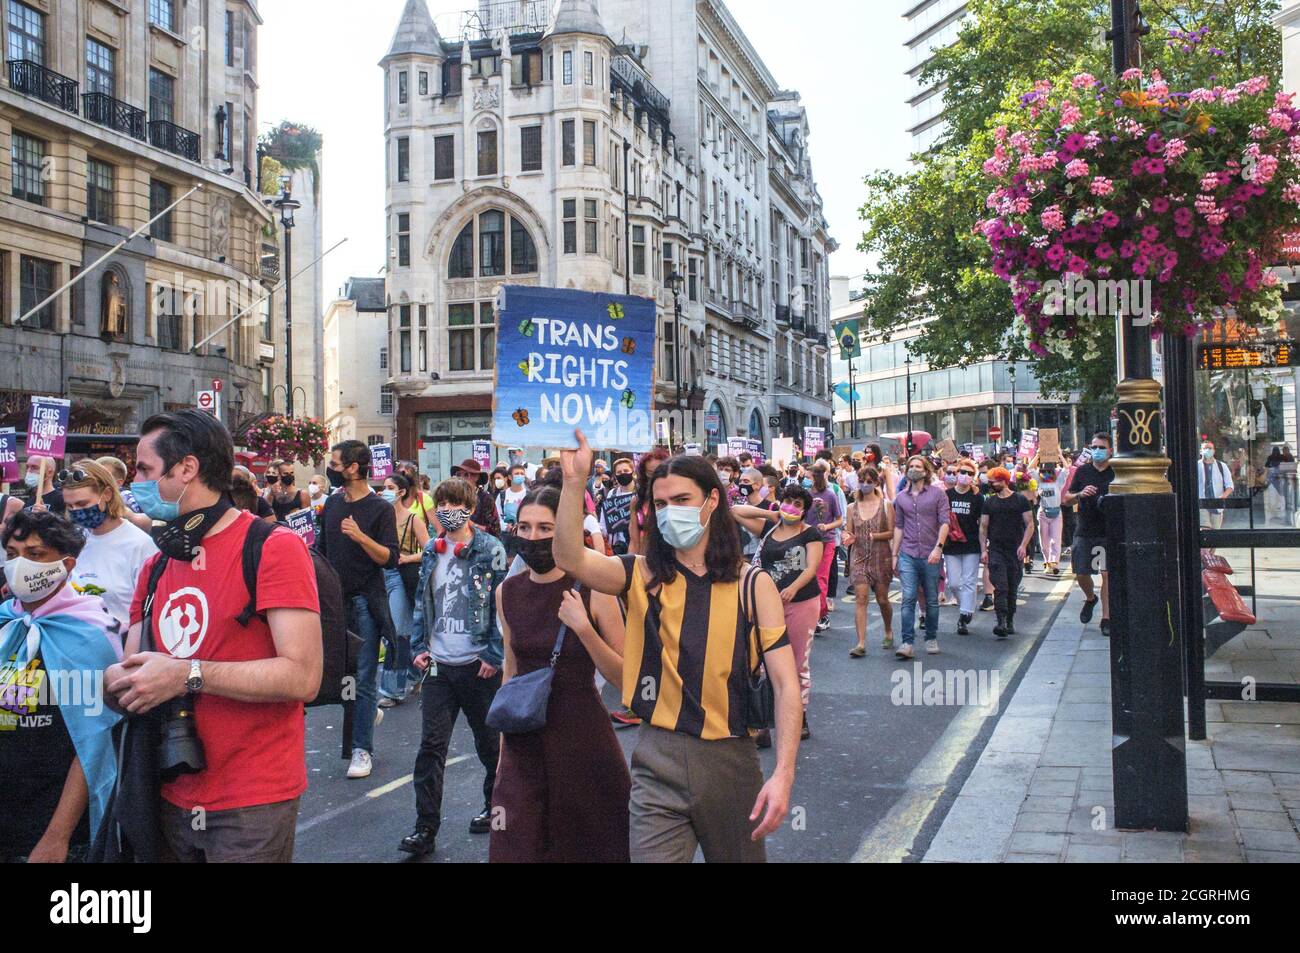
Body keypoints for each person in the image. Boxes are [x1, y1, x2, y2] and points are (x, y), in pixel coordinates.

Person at [554, 431, 800, 863]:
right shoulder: (639, 574)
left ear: (712, 502)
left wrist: (783, 774)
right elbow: (570, 558)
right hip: (655, 760)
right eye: (661, 504)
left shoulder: (752, 584)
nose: (670, 513)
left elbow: (785, 683)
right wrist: (573, 483)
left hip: (731, 762)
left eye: (682, 500)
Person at [104, 410, 322, 862]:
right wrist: (118, 682)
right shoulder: (156, 563)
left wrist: (188, 675)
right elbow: (135, 671)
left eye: (145, 471)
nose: (136, 485)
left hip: (250, 800)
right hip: (167, 788)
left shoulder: (272, 547)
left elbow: (303, 676)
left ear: (186, 468)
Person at [490, 486, 630, 863]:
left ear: (564, 531)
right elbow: (512, 670)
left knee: (590, 847)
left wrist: (584, 629)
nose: (533, 538)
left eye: (545, 528)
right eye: (524, 527)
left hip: (583, 738)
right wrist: (504, 755)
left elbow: (625, 677)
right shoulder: (508, 591)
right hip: (525, 739)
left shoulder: (594, 588)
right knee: (521, 846)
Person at [0, 509, 122, 863]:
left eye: (35, 555)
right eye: (11, 553)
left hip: (51, 829)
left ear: (67, 566)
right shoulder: (7, 623)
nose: (19, 564)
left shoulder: (87, 636)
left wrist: (57, 836)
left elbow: (93, 744)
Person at [400, 477, 507, 856]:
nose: (446, 510)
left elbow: (501, 603)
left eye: (454, 503)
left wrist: (494, 655)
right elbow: (421, 601)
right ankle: (424, 828)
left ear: (470, 507)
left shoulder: (489, 548)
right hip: (439, 667)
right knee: (431, 747)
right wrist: (418, 646)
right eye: (441, 503)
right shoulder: (432, 549)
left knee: (489, 745)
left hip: (478, 665)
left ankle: (494, 809)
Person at [317, 440, 399, 780]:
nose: (331, 469)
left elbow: (390, 557)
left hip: (366, 602)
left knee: (364, 677)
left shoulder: (380, 509)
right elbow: (321, 551)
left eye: (336, 464)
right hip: (336, 603)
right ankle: (368, 713)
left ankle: (360, 750)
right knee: (340, 677)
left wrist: (361, 537)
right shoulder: (333, 504)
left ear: (352, 467)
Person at [733, 485, 821, 739]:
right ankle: (764, 722)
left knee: (796, 662)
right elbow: (735, 512)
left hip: (801, 602)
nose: (790, 507)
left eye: (797, 504)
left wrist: (793, 588)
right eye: (787, 501)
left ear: (804, 511)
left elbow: (811, 567)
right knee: (762, 661)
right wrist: (772, 515)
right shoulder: (769, 530)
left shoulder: (810, 534)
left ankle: (799, 717)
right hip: (769, 603)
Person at [61, 460, 158, 629]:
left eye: (83, 504)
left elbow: (149, 613)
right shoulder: (75, 540)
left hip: (122, 647)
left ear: (106, 494)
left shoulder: (140, 546)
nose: (76, 511)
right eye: (70, 506)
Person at [891, 455, 950, 659]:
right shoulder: (901, 498)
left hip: (930, 554)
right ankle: (907, 642)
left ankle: (931, 636)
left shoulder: (938, 494)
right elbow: (898, 526)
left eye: (918, 466)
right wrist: (894, 554)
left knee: (932, 599)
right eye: (911, 466)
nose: (914, 469)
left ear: (926, 471)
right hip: (908, 553)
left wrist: (938, 548)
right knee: (908, 597)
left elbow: (944, 523)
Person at [378, 472, 429, 707]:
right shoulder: (379, 517)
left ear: (400, 492)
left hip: (402, 576)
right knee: (399, 631)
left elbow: (429, 550)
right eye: (383, 486)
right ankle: (416, 672)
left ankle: (393, 690)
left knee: (398, 630)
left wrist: (407, 559)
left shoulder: (412, 519)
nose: (384, 491)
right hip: (381, 576)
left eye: (390, 487)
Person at [1063, 433, 1115, 637]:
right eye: (1094, 447)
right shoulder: (1082, 472)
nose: (1097, 451)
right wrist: (1080, 494)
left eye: (1101, 447)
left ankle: (1107, 618)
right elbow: (1066, 499)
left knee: (1107, 574)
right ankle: (1090, 598)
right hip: (1085, 530)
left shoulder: (1117, 472)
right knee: (1082, 573)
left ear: (1110, 450)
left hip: (1108, 531)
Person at [842, 466, 896, 654]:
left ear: (876, 483)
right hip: (859, 557)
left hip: (881, 557)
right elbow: (849, 532)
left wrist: (877, 536)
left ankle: (888, 630)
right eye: (862, 481)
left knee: (882, 599)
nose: (865, 485)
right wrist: (847, 537)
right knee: (861, 598)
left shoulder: (886, 505)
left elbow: (892, 532)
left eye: (869, 481)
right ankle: (861, 643)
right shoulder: (851, 507)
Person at [980, 467, 1035, 638]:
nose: (991, 485)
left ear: (1003, 481)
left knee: (1012, 587)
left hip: (1015, 551)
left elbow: (1030, 524)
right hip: (996, 549)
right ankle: (1001, 621)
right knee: (1001, 586)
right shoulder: (989, 502)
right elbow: (983, 527)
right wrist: (984, 549)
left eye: (993, 482)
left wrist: (1023, 545)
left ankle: (1009, 620)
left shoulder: (1020, 500)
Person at [942, 459, 983, 636]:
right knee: (954, 583)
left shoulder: (977, 497)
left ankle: (965, 614)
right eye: (963, 472)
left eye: (970, 473)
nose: (965, 476)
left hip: (971, 544)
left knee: (969, 581)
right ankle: (965, 604)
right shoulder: (947, 495)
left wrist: (984, 546)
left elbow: (982, 524)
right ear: (956, 473)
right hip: (951, 544)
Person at [806, 461, 843, 632]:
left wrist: (827, 527)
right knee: (809, 577)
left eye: (810, 476)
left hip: (826, 541)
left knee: (821, 578)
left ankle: (822, 615)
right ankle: (813, 613)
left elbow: (839, 519)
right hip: (808, 541)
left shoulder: (830, 495)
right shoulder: (806, 495)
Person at [625, 447, 669, 556]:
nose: (655, 477)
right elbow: (634, 542)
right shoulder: (637, 501)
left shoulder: (675, 500)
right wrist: (630, 568)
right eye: (650, 473)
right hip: (644, 560)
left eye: (659, 472)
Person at [1030, 455, 1069, 575]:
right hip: (1043, 513)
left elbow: (1066, 469)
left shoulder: (1058, 482)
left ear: (1053, 473)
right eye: (1043, 471)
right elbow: (1030, 468)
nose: (1046, 473)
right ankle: (1047, 562)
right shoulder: (1038, 481)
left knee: (1055, 540)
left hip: (1056, 513)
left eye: (1049, 471)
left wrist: (1059, 454)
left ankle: (1054, 563)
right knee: (1044, 541)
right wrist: (1037, 454)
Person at [95, 456, 154, 532]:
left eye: (102, 477)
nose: (95, 480)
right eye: (93, 475)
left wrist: (130, 516)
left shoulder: (125, 496)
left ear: (118, 483)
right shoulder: (93, 497)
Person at [598, 457, 638, 556]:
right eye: (619, 472)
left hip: (637, 545)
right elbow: (605, 520)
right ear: (615, 476)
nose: (623, 474)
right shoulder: (612, 493)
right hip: (617, 545)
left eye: (626, 471)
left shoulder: (640, 492)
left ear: (632, 472)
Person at [452, 458, 501, 537]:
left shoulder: (486, 499)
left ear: (476, 477)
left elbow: (494, 531)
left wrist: (471, 524)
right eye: (458, 474)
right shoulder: (452, 498)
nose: (461, 478)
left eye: (466, 475)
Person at [1197, 440, 1234, 530]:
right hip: (1202, 503)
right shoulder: (1197, 466)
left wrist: (1223, 497)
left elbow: (1230, 485)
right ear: (1201, 451)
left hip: (1217, 504)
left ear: (1214, 451)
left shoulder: (1222, 466)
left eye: (1210, 448)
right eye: (1205, 448)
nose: (1208, 450)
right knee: (1205, 530)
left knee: (1215, 532)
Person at [496, 464, 530, 558]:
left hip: (523, 536)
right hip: (506, 538)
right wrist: (506, 526)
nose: (520, 476)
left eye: (522, 473)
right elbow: (497, 515)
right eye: (517, 473)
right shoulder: (502, 495)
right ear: (510, 477)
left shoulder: (529, 494)